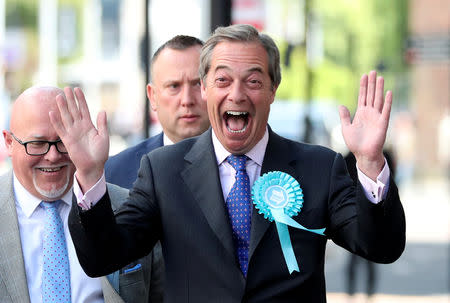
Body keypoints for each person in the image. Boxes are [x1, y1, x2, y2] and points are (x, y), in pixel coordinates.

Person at [52, 24, 406, 302]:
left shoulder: (319, 167)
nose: (236, 94)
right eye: (222, 80)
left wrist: (371, 161)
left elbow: (381, 247)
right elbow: (104, 257)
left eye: (253, 81)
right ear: (206, 88)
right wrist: (88, 175)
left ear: (272, 89)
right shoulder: (162, 171)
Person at [0, 86, 151, 303]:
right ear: (9, 143)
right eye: (37, 144)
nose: (52, 156)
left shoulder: (128, 205)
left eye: (62, 142)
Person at [104, 34, 209, 303]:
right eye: (173, 86)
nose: (187, 99)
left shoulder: (244, 167)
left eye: (197, 84)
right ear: (153, 96)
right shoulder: (115, 172)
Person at [344, 149, 396, 302]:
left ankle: (368, 292)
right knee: (356, 257)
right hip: (355, 212)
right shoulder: (347, 157)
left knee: (370, 257)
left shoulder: (384, 155)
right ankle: (352, 291)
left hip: (375, 213)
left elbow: (391, 179)